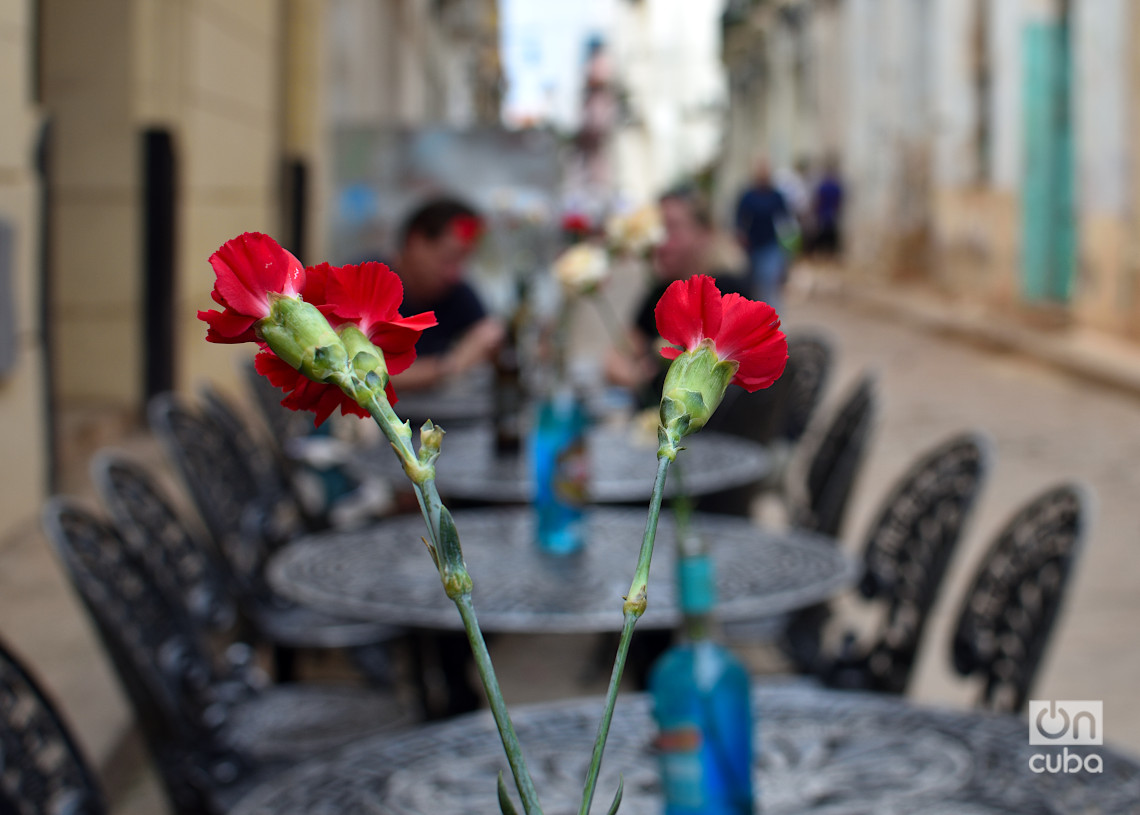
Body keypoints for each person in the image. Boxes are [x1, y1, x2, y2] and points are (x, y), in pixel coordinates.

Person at [605, 187, 748, 405]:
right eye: (657, 229)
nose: (660, 242)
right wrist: (633, 374)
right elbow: (619, 354)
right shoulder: (662, 290)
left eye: (672, 228)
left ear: (704, 234)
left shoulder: (728, 293)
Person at [388, 197, 504, 392]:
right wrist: (449, 366)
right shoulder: (365, 282)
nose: (454, 273)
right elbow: (363, 375)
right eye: (448, 259)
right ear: (416, 242)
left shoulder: (457, 292)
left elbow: (488, 334)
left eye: (464, 261)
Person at [734, 159, 791, 312]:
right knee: (752, 284)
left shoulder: (776, 196)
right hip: (752, 247)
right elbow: (739, 218)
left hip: (772, 245)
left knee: (769, 281)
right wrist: (740, 235)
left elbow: (786, 219)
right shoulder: (749, 196)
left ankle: (772, 315)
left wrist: (789, 243)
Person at [811, 156, 845, 257]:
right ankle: (830, 254)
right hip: (831, 215)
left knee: (824, 237)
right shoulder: (836, 186)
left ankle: (822, 254)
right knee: (830, 238)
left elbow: (817, 200)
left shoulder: (823, 185)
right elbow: (839, 202)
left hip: (823, 215)